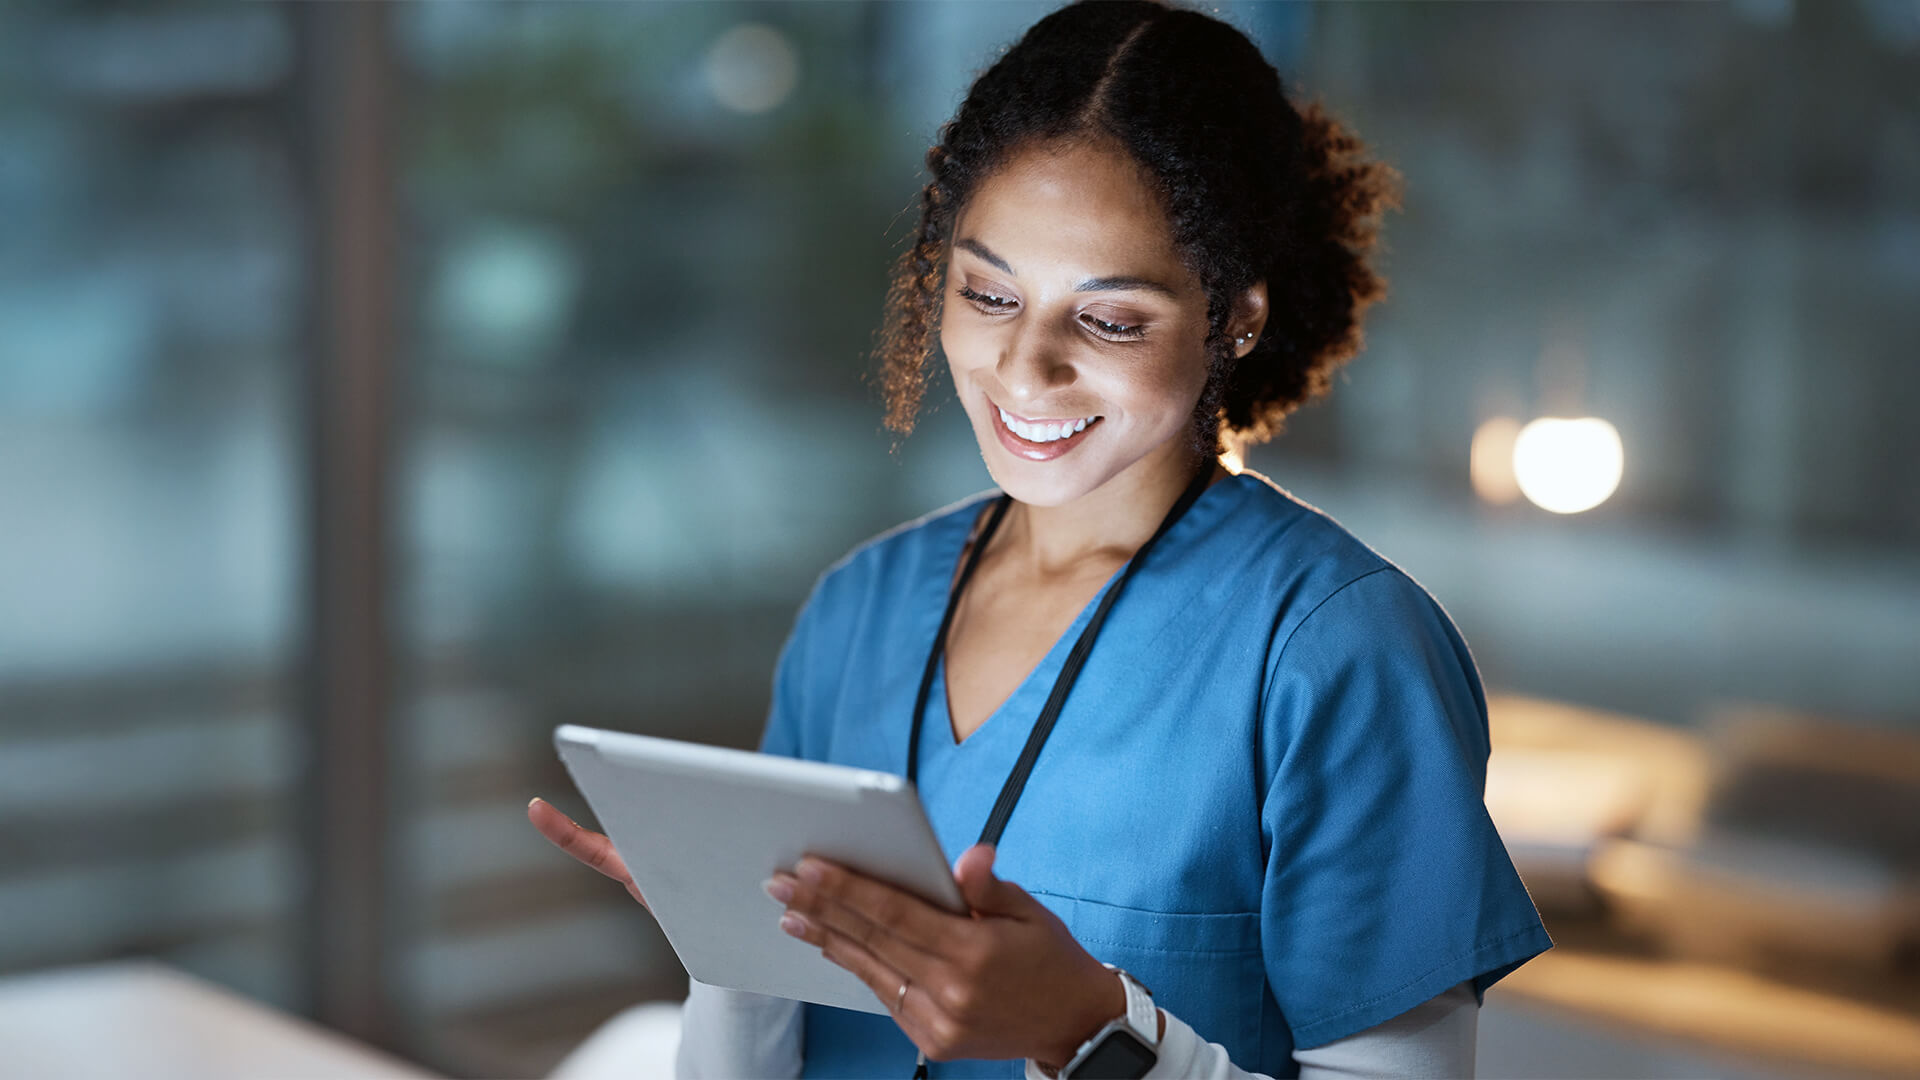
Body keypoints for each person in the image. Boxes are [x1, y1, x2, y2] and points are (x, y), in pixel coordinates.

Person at [529, 1, 1552, 1076]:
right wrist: (728, 943)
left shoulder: (1338, 654)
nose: (1024, 368)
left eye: (1108, 319)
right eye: (987, 293)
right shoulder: (860, 608)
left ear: (1234, 319)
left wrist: (1093, 1033)